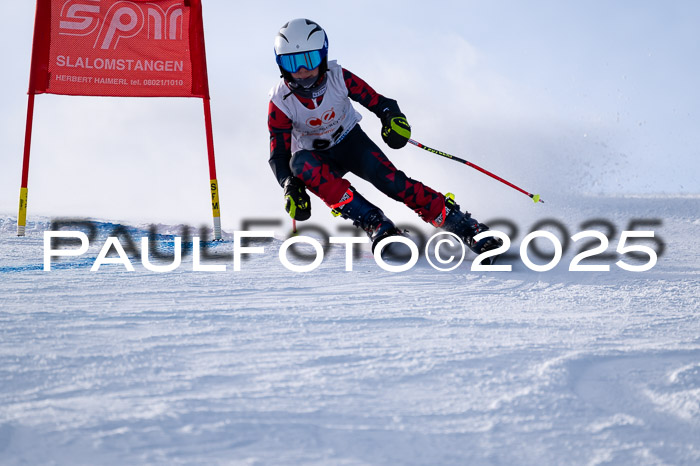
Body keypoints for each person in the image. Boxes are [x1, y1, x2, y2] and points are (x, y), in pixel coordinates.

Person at [268, 18, 501, 254]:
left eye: (309, 60)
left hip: (350, 143)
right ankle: (377, 224)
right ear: (281, 65)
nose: (302, 71)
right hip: (316, 159)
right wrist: (289, 185)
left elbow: (380, 102)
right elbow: (278, 154)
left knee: (392, 182)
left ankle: (466, 227)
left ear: (323, 56)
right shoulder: (280, 101)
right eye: (292, 63)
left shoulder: (339, 78)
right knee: (299, 163)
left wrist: (393, 119)